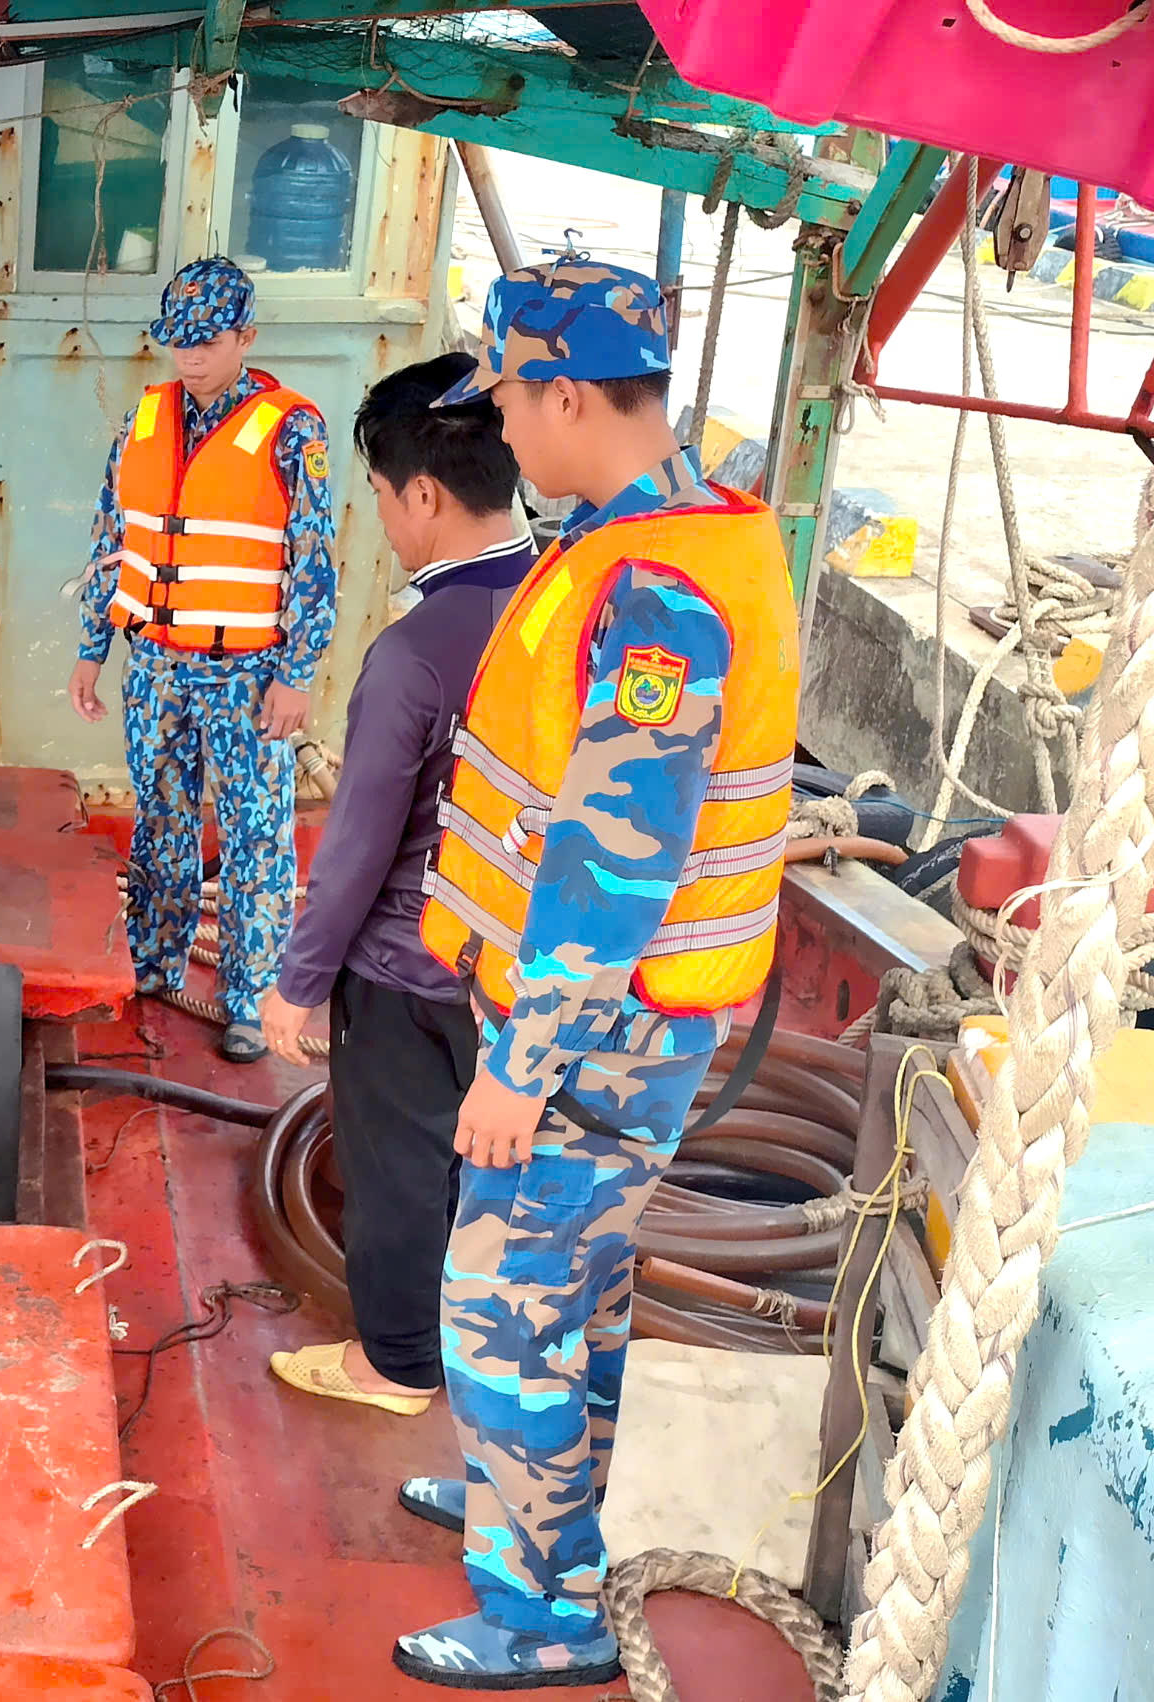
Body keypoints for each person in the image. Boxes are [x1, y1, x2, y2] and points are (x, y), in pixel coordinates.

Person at [391, 256, 798, 1690]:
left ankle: (544, 1610)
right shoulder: (661, 530)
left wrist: (521, 1065)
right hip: (607, 1023)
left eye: (508, 397)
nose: (499, 426)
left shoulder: (660, 588)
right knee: (577, 1293)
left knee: (499, 1307)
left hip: (595, 1032)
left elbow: (614, 860)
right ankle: (525, 1498)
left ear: (566, 394)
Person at [256, 352, 533, 1419]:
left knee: (399, 1168)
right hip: (521, 965)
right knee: (488, 1165)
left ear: (422, 495)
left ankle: (398, 1365)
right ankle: (480, 1344)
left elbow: (358, 846)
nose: (379, 516)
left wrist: (298, 983)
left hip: (408, 967)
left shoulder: (416, 652)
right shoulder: (566, 607)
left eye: (377, 492)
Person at [67, 256, 340, 1063]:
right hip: (155, 664)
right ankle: (155, 960)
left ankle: (251, 995)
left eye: (208, 342)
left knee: (257, 833)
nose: (189, 357)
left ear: (245, 337)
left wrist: (296, 673)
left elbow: (314, 558)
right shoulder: (145, 419)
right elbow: (111, 539)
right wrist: (91, 649)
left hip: (246, 673)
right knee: (160, 816)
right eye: (178, 340)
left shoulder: (292, 430)